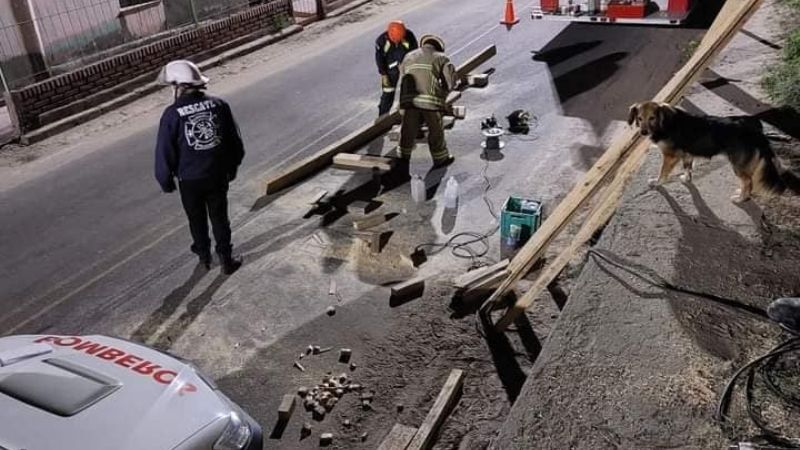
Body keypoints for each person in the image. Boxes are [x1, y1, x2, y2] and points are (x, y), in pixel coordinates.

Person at [154, 60, 244, 275]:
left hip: (189, 179)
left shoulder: (171, 114)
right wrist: (233, 167)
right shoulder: (219, 105)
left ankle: (204, 256)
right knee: (220, 216)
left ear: (179, 86)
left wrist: (165, 180)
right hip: (217, 174)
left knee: (196, 218)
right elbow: (235, 142)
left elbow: (165, 152)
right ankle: (226, 259)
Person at [398, 34, 457, 169]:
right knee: (436, 130)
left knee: (408, 129)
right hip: (430, 101)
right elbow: (450, 82)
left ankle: (403, 157)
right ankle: (440, 159)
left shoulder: (408, 56)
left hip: (408, 100)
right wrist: (443, 97)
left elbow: (403, 75)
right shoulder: (441, 58)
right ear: (438, 47)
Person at [375, 20, 418, 116]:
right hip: (390, 68)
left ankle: (409, 113)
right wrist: (384, 74)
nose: (397, 41)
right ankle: (383, 117)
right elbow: (379, 59)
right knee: (388, 92)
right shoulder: (381, 41)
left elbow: (415, 53)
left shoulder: (409, 36)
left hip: (407, 64)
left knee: (409, 88)